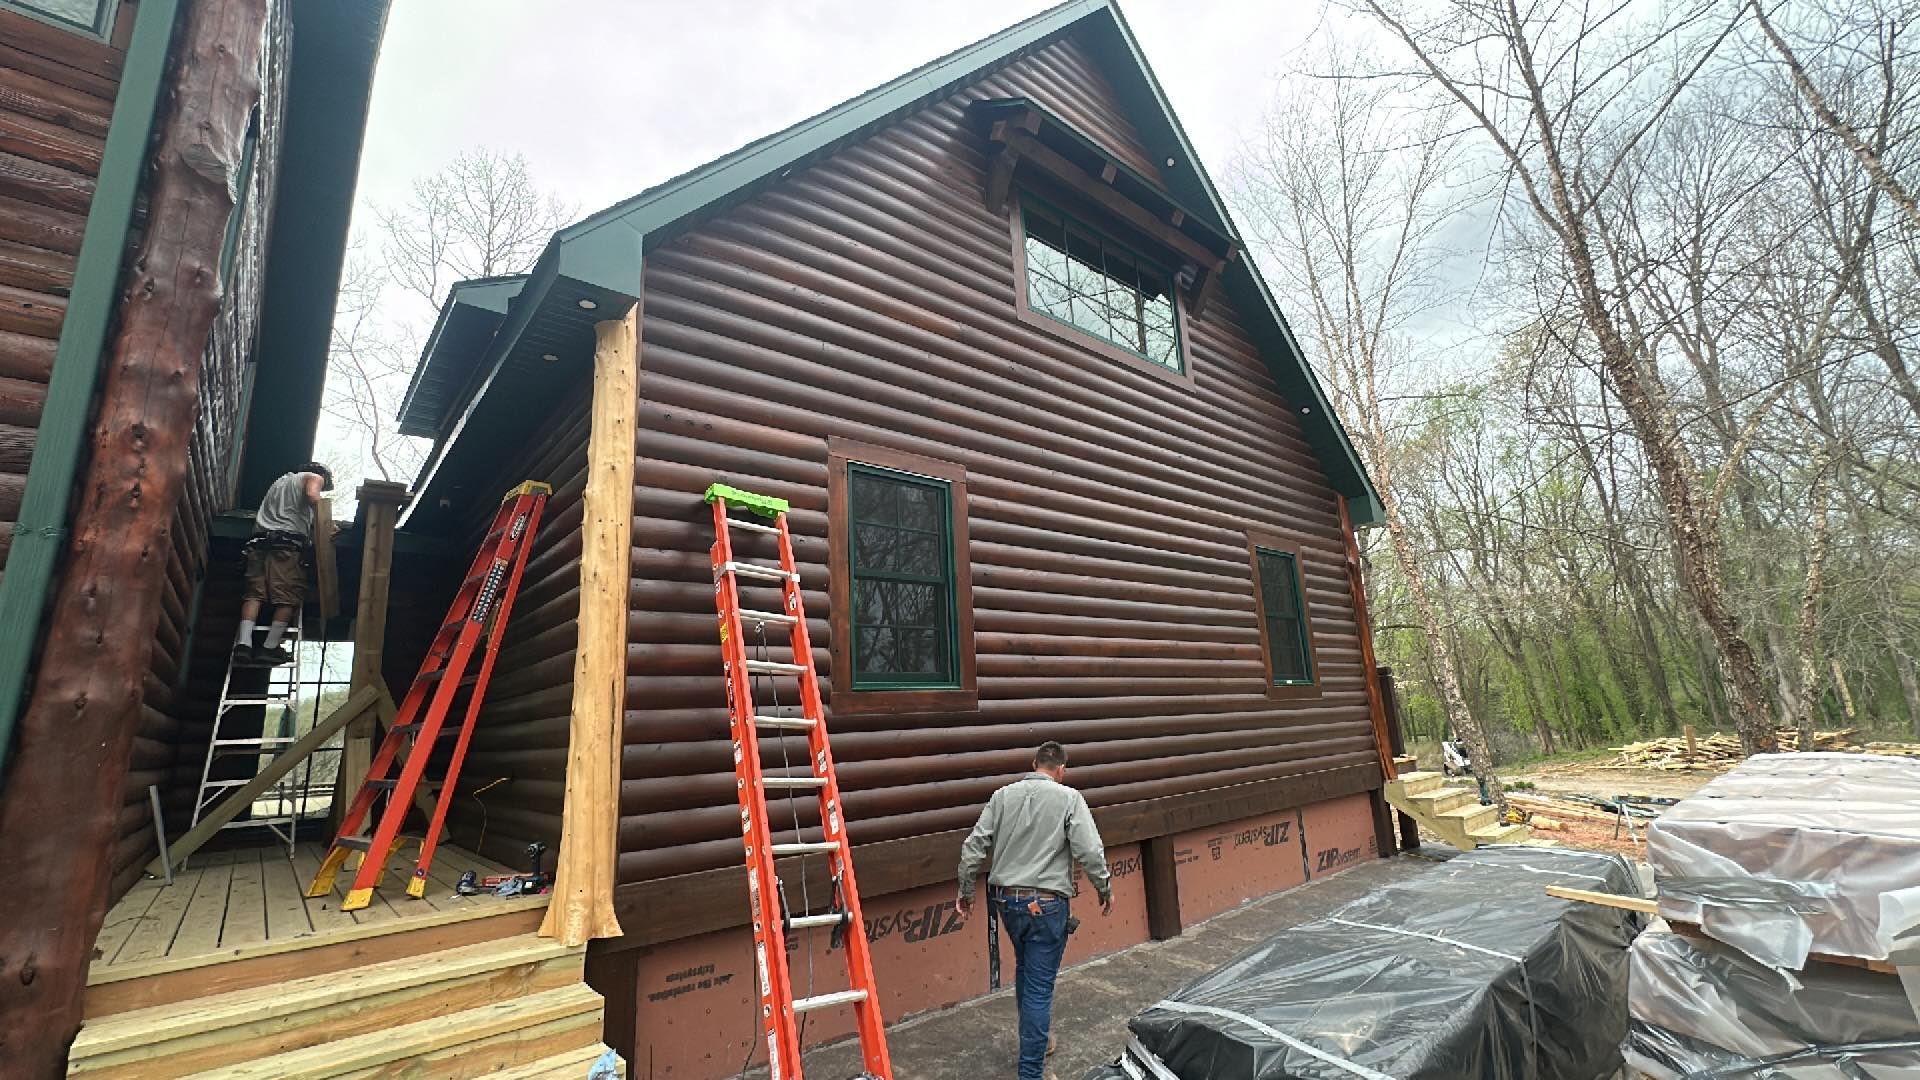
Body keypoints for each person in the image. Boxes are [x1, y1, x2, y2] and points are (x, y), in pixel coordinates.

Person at [956, 741, 1112, 1080]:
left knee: (1026, 970)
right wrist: (1104, 888)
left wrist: (966, 891)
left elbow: (973, 847)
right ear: (1061, 770)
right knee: (1039, 986)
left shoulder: (1002, 796)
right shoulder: (1069, 798)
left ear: (1033, 763)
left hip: (1005, 902)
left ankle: (1037, 1044)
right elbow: (1089, 851)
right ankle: (1031, 1073)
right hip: (1046, 905)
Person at [234, 462, 331, 665]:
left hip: (258, 545)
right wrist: (328, 524)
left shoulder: (280, 483)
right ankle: (269, 648)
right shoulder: (314, 477)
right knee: (288, 598)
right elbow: (313, 495)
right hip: (285, 548)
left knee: (254, 595)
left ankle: (243, 644)